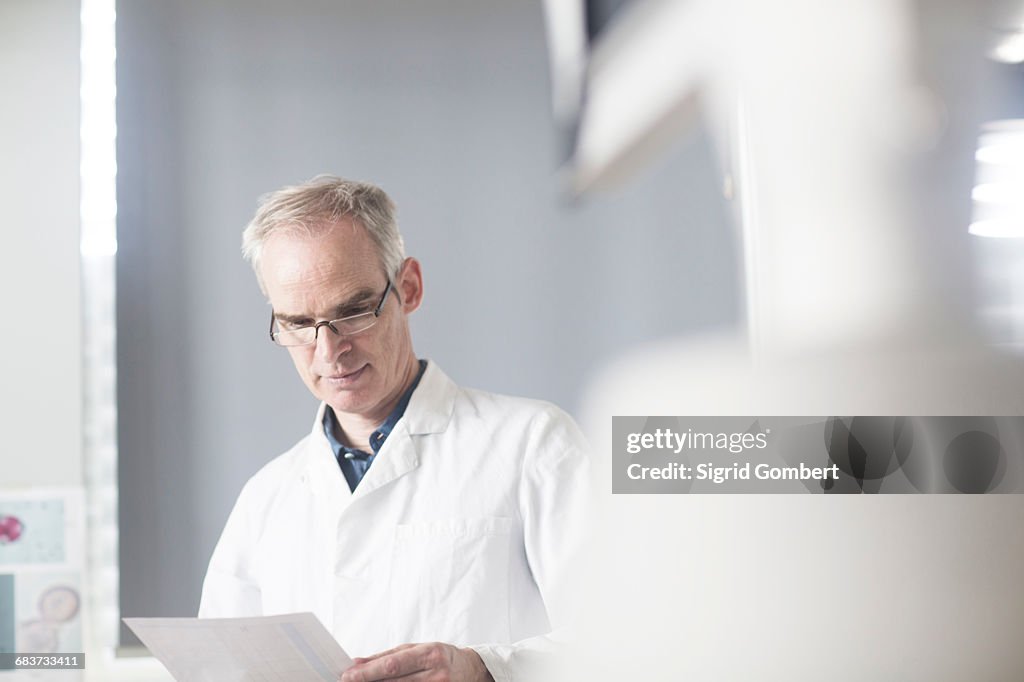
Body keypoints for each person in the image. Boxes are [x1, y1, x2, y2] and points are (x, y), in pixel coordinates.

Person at [198, 176, 590, 682]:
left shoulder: (534, 444)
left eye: (353, 311)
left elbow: (628, 639)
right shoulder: (265, 499)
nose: (328, 351)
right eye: (297, 323)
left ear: (408, 288)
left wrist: (485, 670)